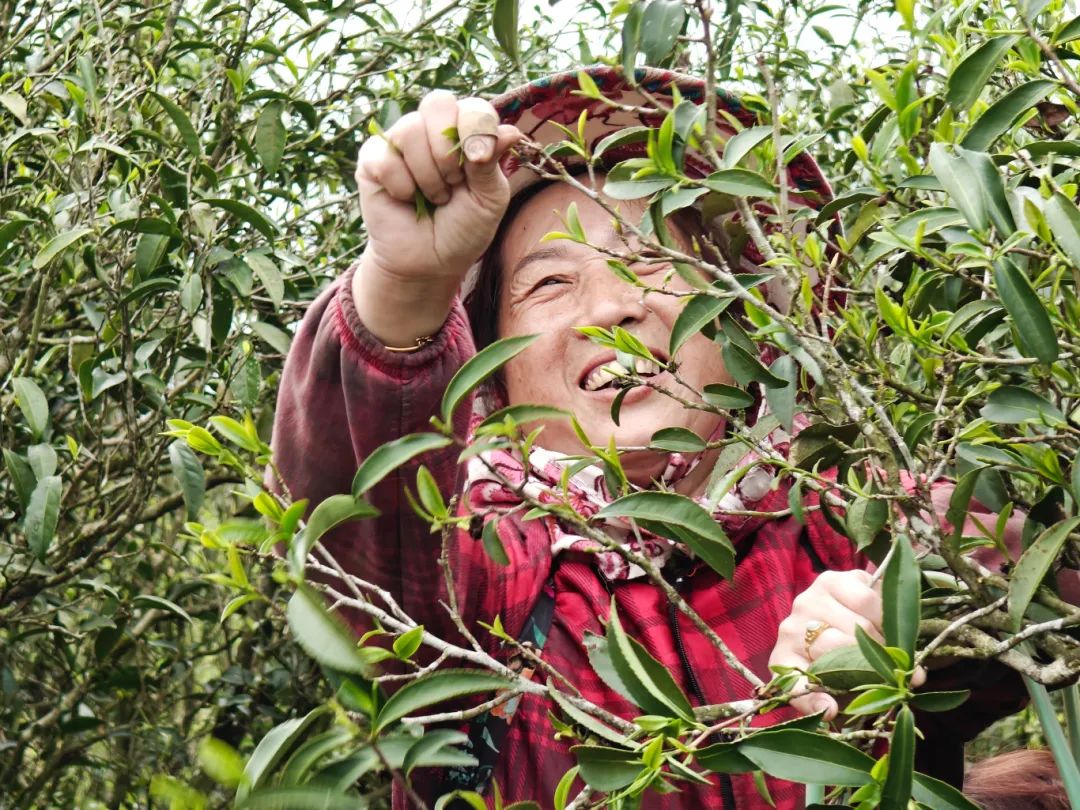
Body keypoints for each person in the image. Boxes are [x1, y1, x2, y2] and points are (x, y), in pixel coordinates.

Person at [272, 67, 1024, 809]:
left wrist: (899, 616)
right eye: (550, 284)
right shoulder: (485, 568)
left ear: (742, 323)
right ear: (492, 372)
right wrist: (405, 286)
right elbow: (357, 521)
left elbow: (1034, 562)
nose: (610, 309)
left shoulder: (843, 506)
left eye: (653, 257)